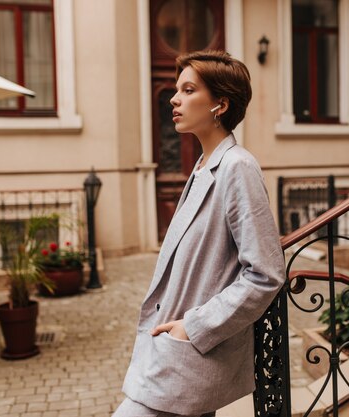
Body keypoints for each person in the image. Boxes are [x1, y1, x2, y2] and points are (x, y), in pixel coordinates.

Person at [113, 50, 285, 417]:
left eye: (189, 90)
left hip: (189, 351)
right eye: (177, 89)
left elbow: (265, 274)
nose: (175, 99)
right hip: (178, 356)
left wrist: (193, 327)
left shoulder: (238, 168)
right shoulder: (205, 165)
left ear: (219, 104)